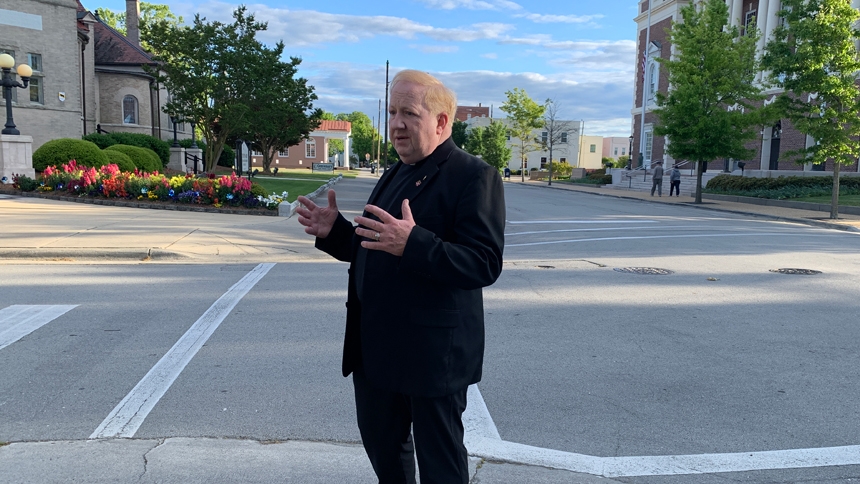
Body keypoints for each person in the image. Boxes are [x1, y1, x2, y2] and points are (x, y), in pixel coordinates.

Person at [296, 69, 505, 484]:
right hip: (376, 350)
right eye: (392, 112)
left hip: (433, 357)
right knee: (385, 453)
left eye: (408, 112)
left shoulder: (473, 175)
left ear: (442, 121)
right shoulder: (394, 173)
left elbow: (483, 262)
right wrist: (335, 231)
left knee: (441, 466)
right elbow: (375, 246)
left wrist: (415, 243)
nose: (395, 124)